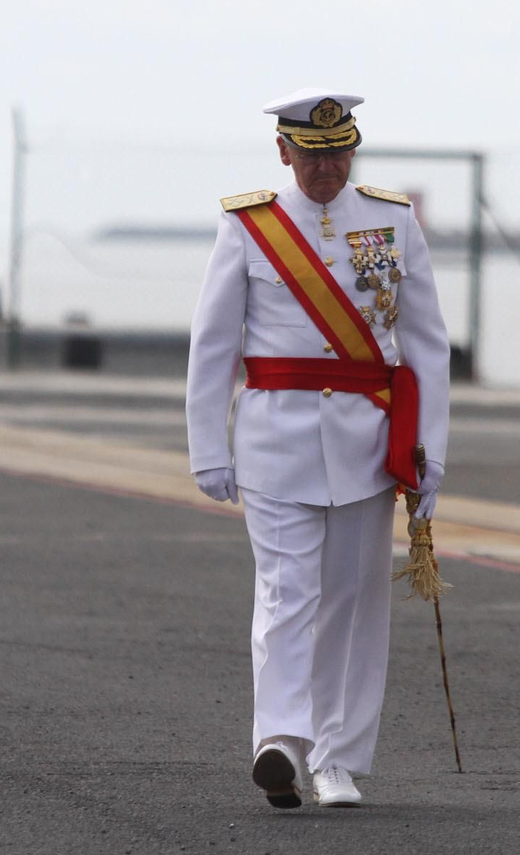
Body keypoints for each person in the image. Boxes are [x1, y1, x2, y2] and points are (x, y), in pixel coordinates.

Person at [185, 88, 450, 809]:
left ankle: (337, 758)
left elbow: (426, 344)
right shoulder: (248, 226)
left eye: (339, 153)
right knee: (286, 592)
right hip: (276, 438)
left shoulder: (392, 219)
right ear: (283, 152)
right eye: (312, 155)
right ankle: (279, 740)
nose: (327, 168)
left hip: (367, 441)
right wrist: (208, 446)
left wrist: (429, 451)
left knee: (355, 602)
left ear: (353, 150)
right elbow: (214, 344)